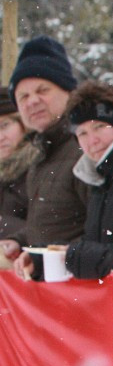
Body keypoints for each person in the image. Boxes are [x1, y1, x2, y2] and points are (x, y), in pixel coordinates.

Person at [14, 81, 113, 280]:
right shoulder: (98, 177)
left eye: (100, 127)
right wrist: (43, 259)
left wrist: (87, 257)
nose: (91, 140)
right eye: (82, 133)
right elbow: (93, 243)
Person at [0, 36, 86, 265]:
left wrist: (62, 258)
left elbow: (105, 230)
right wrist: (19, 240)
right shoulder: (41, 155)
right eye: (23, 96)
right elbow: (48, 225)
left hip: (81, 288)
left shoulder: (85, 145)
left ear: (68, 91)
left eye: (42, 90)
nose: (33, 101)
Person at [0, 87, 32, 248]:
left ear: (22, 124)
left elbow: (50, 225)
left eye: (4, 125)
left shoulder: (39, 165)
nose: (0, 137)